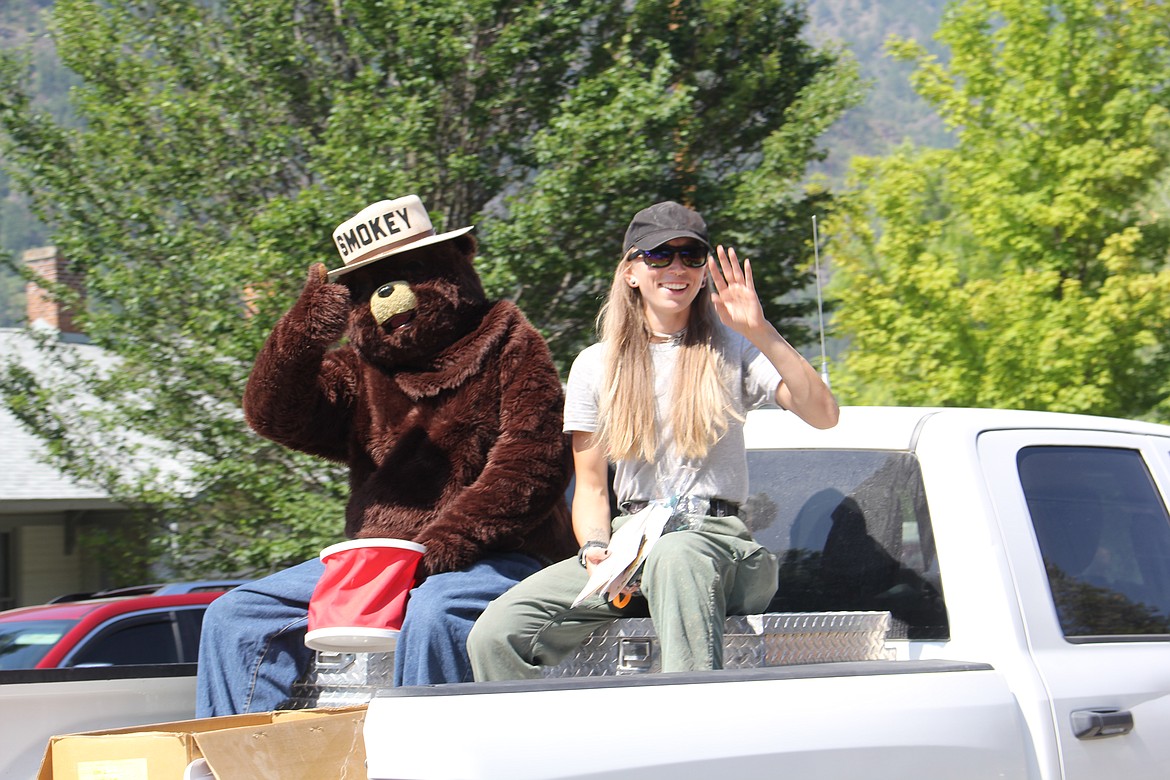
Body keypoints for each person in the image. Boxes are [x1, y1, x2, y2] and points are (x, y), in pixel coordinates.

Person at [196, 195, 573, 716]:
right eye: (370, 285)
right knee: (235, 615)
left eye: (412, 271)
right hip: (379, 557)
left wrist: (443, 546)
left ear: (456, 263)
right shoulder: (361, 370)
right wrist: (302, 335)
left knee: (435, 612)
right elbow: (272, 415)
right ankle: (240, 762)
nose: (389, 295)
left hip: (494, 553)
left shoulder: (507, 339)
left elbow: (533, 462)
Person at [467, 200, 840, 678]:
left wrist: (761, 330)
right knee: (498, 632)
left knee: (678, 552)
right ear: (631, 272)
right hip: (631, 547)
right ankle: (536, 750)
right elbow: (592, 489)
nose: (676, 268)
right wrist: (595, 547)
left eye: (691, 256)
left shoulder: (735, 347)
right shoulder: (595, 365)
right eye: (659, 256)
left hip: (719, 546)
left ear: (704, 272)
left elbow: (823, 414)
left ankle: (691, 735)